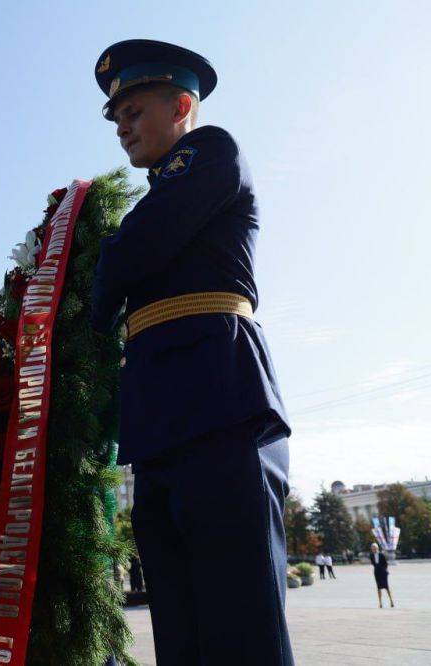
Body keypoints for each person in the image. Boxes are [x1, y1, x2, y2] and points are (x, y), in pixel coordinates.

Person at [90, 39, 292, 665]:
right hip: (159, 417)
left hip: (220, 401)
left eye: (134, 111)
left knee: (242, 616)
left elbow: (136, 252)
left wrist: (100, 269)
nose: (122, 128)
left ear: (182, 103)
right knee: (181, 625)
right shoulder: (155, 196)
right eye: (116, 118)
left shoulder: (211, 152)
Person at [369, 543, 394, 608]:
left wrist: (385, 571)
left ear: (377, 548)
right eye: (372, 548)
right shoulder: (371, 555)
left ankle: (391, 601)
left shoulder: (381, 555)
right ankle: (380, 603)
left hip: (383, 573)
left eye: (374, 548)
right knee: (379, 588)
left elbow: (386, 564)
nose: (373, 549)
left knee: (386, 587)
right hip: (376, 573)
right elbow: (373, 563)